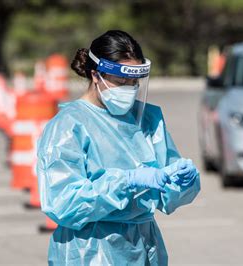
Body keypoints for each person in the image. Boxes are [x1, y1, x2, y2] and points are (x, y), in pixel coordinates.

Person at [37, 30, 201, 265]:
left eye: (134, 82)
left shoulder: (148, 118)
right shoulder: (68, 126)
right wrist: (126, 181)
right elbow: (63, 204)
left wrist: (183, 183)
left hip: (144, 247)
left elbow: (165, 196)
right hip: (90, 251)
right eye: (121, 81)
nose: (129, 88)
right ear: (96, 75)